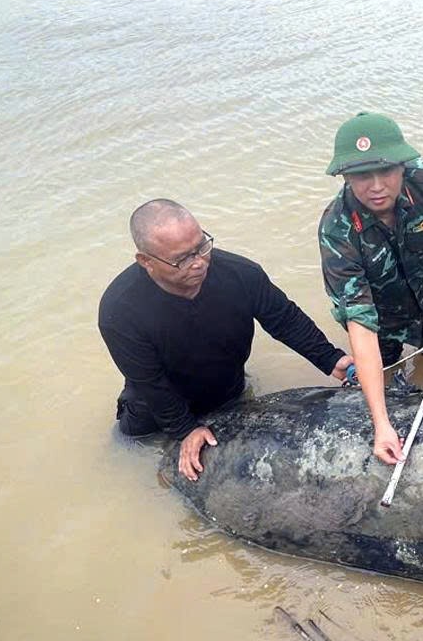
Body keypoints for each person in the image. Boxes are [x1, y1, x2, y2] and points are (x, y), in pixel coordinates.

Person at [99, 199, 351, 481]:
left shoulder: (240, 274)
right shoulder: (119, 311)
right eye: (182, 259)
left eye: (201, 247)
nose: (198, 263)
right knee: (145, 472)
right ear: (146, 261)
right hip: (154, 415)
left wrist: (331, 359)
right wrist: (185, 430)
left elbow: (284, 319)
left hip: (227, 392)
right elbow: (149, 382)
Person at [319, 112, 423, 463]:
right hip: (380, 316)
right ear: (344, 176)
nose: (376, 186)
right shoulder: (336, 228)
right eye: (361, 175)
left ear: (403, 166)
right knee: (383, 371)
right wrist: (381, 425)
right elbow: (360, 322)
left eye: (386, 171)